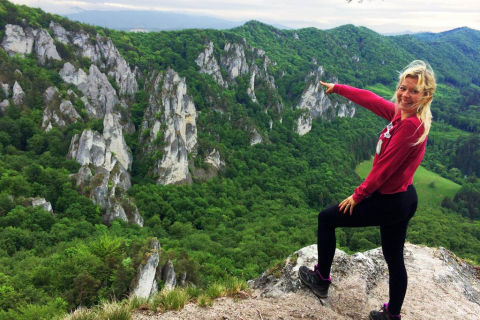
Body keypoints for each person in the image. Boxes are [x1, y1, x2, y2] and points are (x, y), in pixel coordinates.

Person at [298, 60, 436, 320]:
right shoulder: (405, 115)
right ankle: (392, 314)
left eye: (413, 91)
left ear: (425, 95)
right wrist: (339, 88)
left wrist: (357, 195)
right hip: (404, 198)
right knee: (394, 257)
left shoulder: (409, 126)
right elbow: (371, 99)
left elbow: (383, 170)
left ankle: (321, 280)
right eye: (402, 88)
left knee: (326, 219)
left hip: (388, 200)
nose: (405, 94)